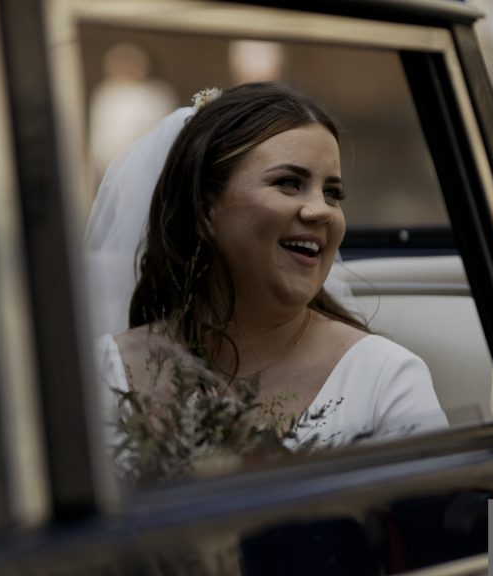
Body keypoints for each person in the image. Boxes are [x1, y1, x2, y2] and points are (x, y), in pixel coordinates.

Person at [86, 82, 447, 463]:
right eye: (289, 183)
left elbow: (490, 519)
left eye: (332, 193)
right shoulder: (105, 370)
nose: (321, 210)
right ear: (205, 211)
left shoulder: (384, 377)